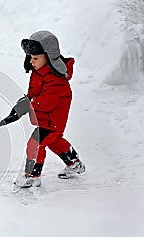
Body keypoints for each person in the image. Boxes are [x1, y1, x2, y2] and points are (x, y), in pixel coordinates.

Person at [16, 30, 85, 188]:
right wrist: (24, 102)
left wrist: (29, 104)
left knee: (36, 144)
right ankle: (74, 163)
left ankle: (33, 176)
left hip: (53, 120)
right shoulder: (38, 72)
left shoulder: (56, 80)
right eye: (30, 58)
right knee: (54, 142)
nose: (31, 62)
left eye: (35, 58)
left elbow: (46, 102)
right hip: (45, 119)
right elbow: (34, 92)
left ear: (49, 56)